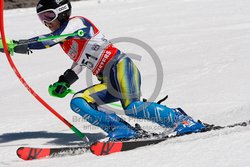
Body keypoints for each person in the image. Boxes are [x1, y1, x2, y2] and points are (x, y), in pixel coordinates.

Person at [3, 0, 205, 141]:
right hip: (107, 80)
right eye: (41, 18)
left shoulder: (77, 23)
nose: (46, 22)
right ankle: (121, 130)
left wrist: (13, 45)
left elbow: (47, 40)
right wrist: (65, 81)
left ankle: (183, 121)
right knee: (78, 102)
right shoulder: (66, 41)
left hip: (121, 67)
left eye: (48, 15)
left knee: (132, 107)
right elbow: (81, 63)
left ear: (62, 11)